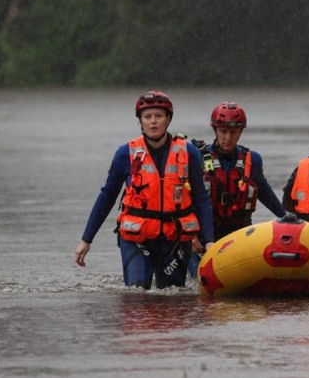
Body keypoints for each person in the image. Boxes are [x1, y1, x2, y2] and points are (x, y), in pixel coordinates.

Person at [74, 90, 214, 289]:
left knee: (172, 297)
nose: (153, 122)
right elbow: (107, 196)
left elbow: (201, 198)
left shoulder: (188, 152)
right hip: (136, 237)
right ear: (140, 122)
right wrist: (86, 240)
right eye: (147, 117)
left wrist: (208, 241)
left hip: (174, 238)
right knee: (137, 291)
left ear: (168, 120)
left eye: (159, 116)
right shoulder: (126, 153)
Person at [199, 101, 286, 240]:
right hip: (207, 234)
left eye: (233, 132)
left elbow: (265, 194)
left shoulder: (252, 160)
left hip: (241, 233)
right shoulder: (198, 157)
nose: (228, 138)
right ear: (215, 130)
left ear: (240, 132)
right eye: (223, 132)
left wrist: (285, 217)